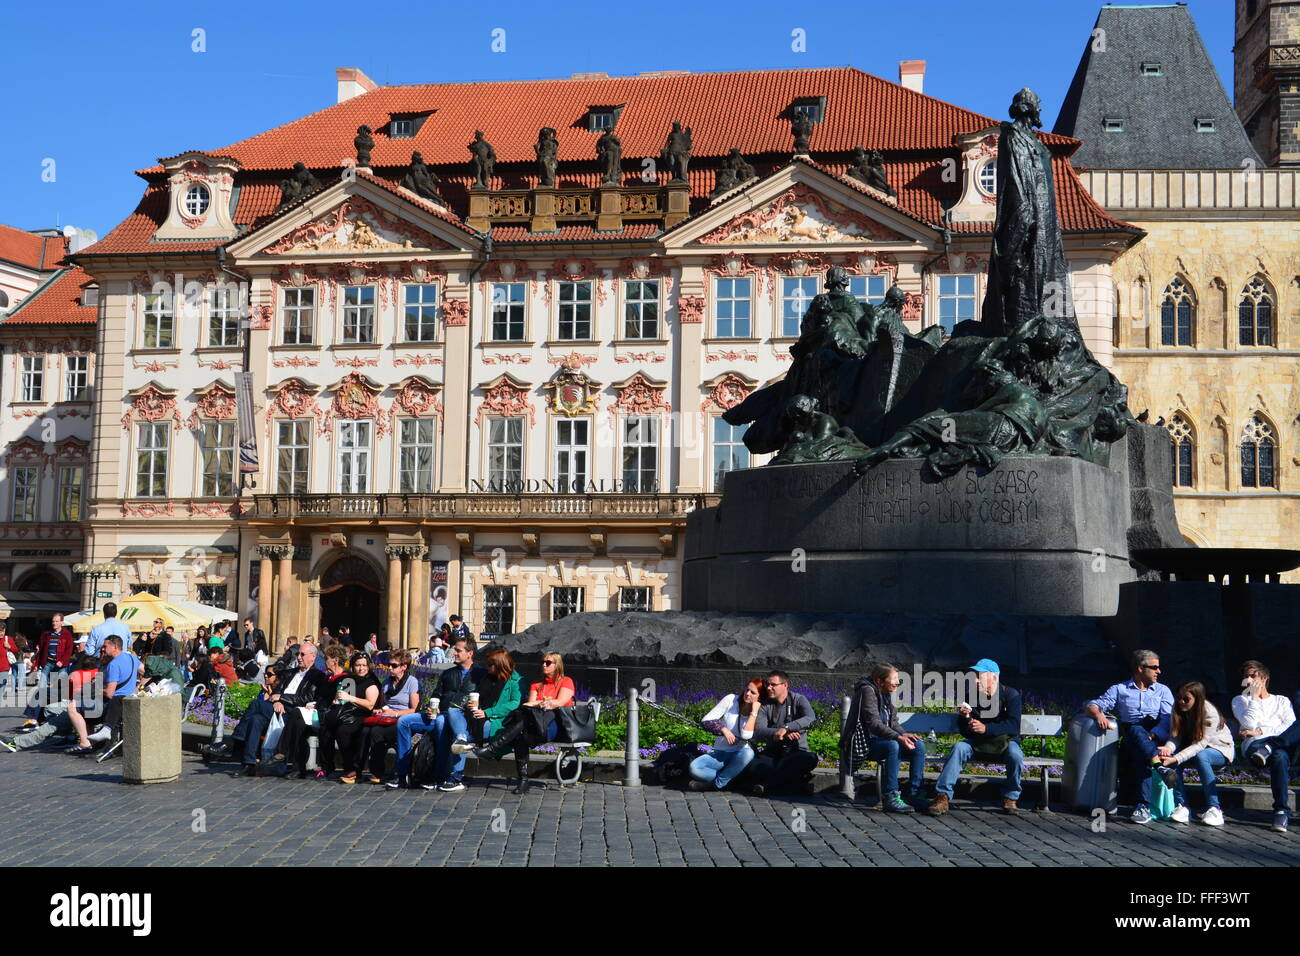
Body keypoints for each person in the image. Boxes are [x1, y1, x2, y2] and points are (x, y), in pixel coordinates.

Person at [1085, 648, 1174, 825]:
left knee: (1143, 752)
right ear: (1141, 668)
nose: (1159, 671)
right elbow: (1092, 704)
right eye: (1154, 667)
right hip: (1131, 737)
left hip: (1155, 736)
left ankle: (1143, 804)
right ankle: (1156, 774)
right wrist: (1098, 715)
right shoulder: (1120, 689)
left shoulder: (1163, 691)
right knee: (1135, 731)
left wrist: (1154, 733)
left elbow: (1167, 719)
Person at [929, 659, 1023, 815]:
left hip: (1005, 743)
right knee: (959, 747)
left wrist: (986, 729)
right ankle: (942, 797)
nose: (975, 679)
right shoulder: (970, 695)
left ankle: (1010, 797)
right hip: (978, 743)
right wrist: (965, 718)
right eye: (974, 675)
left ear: (993, 677)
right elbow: (966, 732)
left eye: (979, 675)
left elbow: (1013, 726)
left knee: (1015, 754)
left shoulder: (1010, 695)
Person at [474, 651, 575, 794]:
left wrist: (542, 703)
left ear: (557, 665)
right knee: (520, 735)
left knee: (523, 722)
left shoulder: (566, 681)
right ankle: (523, 781)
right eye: (542, 662)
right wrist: (544, 703)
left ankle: (493, 748)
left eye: (548, 663)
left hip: (557, 725)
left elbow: (560, 702)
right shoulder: (536, 685)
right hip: (536, 724)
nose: (544, 665)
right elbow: (529, 704)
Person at [842, 663, 928, 812]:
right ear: (879, 680)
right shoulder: (867, 691)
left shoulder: (887, 692)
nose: (897, 682)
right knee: (892, 745)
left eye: (898, 679)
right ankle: (891, 797)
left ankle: (915, 793)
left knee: (918, 746)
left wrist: (903, 734)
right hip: (864, 743)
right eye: (894, 679)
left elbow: (893, 722)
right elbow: (874, 724)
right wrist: (898, 738)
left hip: (882, 741)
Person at [1156, 681, 1234, 827]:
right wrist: (1168, 749)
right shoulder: (1177, 709)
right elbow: (1175, 737)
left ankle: (1214, 808)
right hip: (1192, 749)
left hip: (1220, 749)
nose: (1181, 702)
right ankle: (1182, 806)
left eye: (1186, 699)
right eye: (1179, 697)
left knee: (1201, 756)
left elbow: (1200, 745)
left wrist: (1176, 758)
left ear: (1197, 699)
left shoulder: (1209, 712)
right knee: (1171, 761)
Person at [1232, 660, 1295, 833]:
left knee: (1281, 752)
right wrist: (1253, 698)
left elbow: (1291, 726)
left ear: (1265, 678)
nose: (1249, 680)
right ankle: (1282, 811)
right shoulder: (1240, 700)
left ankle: (1271, 747)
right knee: (1280, 756)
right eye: (1246, 677)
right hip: (1255, 747)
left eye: (1253, 676)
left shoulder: (1282, 701)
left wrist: (1262, 730)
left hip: (1280, 745)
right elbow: (1249, 724)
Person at [425, 637, 486, 792]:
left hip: (468, 717)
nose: (454, 653)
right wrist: (433, 706)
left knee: (447, 727)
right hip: (445, 713)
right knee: (435, 722)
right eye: (455, 650)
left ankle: (444, 775)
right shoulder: (448, 673)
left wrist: (479, 706)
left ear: (470, 653)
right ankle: (442, 774)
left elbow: (488, 697)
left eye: (458, 650)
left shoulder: (481, 673)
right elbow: (436, 694)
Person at [749, 670, 820, 797]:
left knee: (810, 759)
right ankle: (796, 785)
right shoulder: (765, 705)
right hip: (773, 751)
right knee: (754, 767)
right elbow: (759, 730)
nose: (769, 688)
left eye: (773, 685)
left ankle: (767, 786)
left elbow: (810, 718)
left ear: (785, 685)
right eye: (767, 684)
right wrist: (780, 733)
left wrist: (787, 727)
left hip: (796, 751)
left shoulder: (798, 700)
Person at [273, 643, 336, 777]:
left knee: (298, 721)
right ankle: (248, 762)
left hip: (303, 711)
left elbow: (309, 697)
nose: (299, 657)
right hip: (281, 706)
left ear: (313, 657)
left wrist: (283, 698)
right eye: (298, 654)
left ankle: (285, 755)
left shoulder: (317, 675)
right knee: (257, 715)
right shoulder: (290, 672)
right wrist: (278, 701)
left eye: (302, 654)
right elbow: (276, 691)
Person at [689, 678, 761, 791]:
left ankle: (718, 784)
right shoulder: (731, 699)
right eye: (747, 689)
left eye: (753, 692)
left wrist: (754, 712)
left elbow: (746, 735)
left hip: (739, 756)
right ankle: (730, 780)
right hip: (720, 753)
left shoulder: (760, 712)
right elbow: (706, 720)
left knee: (748, 753)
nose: (747, 694)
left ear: (759, 697)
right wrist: (724, 729)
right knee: (694, 768)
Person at [361, 649, 421, 784]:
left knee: (376, 732)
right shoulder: (387, 682)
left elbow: (415, 710)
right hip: (387, 719)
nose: (390, 668)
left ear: (404, 667)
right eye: (389, 664)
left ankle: (378, 772)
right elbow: (383, 704)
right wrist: (379, 711)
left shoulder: (412, 682)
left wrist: (395, 713)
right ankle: (372, 770)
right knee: (368, 730)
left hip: (403, 720)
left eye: (394, 665)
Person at [327, 653, 382, 784]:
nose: (361, 668)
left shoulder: (371, 682)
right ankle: (341, 767)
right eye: (358, 665)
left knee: (346, 730)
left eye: (364, 665)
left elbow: (369, 705)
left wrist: (350, 698)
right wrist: (338, 699)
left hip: (365, 716)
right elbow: (344, 700)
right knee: (333, 726)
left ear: (368, 667)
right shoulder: (350, 680)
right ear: (353, 667)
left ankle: (354, 769)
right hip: (349, 714)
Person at [455, 646, 522, 752]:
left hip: (496, 720)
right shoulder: (487, 678)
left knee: (448, 730)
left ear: (500, 665)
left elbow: (515, 703)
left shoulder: (515, 681)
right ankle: (461, 739)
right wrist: (470, 704)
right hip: (476, 714)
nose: (487, 667)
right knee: (452, 712)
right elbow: (478, 696)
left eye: (490, 665)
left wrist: (488, 712)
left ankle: (460, 738)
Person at [87, 635, 141, 747]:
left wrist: (95, 689)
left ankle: (88, 743)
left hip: (115, 703)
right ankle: (106, 744)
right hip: (130, 700)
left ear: (115, 647)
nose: (102, 649)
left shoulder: (113, 664)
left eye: (105, 646)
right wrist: (139, 685)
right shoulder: (131, 658)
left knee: (82, 710)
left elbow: (109, 693)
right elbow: (146, 671)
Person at [227, 668, 282, 776]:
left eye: (269, 674)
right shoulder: (264, 690)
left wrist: (276, 697)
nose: (266, 676)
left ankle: (235, 738)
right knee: (255, 719)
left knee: (256, 704)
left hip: (281, 714)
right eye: (265, 673)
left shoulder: (278, 688)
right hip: (268, 718)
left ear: (277, 678)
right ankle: (249, 764)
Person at [32, 613, 74, 688]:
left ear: (61, 622)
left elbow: (69, 650)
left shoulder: (67, 634)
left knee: (62, 685)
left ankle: (60, 698)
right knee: (42, 685)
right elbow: (41, 650)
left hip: (61, 664)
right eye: (53, 621)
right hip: (48, 662)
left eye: (56, 621)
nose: (54, 623)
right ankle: (43, 697)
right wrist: (36, 664)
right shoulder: (46, 634)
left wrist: (62, 661)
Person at [0, 622, 21, 706]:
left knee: (1, 685)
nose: (1, 633)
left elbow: (16, 650)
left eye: (3, 631)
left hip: (4, 667)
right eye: (0, 631)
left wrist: (9, 647)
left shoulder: (8, 639)